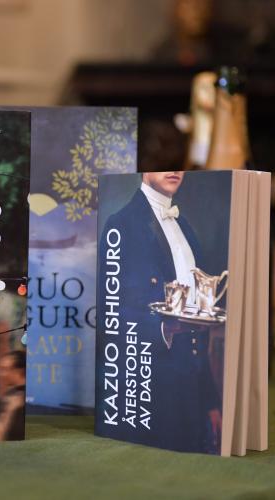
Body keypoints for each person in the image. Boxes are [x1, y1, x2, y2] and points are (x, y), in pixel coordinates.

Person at [99, 171, 221, 453]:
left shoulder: (184, 226)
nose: (174, 170)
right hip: (148, 386)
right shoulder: (122, 225)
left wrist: (210, 401)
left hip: (192, 387)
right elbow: (112, 313)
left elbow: (197, 329)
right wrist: (164, 328)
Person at [0, 350, 26, 440]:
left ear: (19, 371)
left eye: (4, 369)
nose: (0, 374)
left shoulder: (22, 398)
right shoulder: (10, 394)